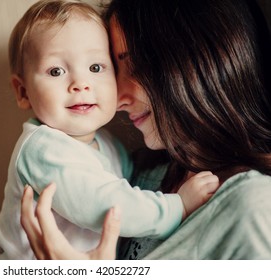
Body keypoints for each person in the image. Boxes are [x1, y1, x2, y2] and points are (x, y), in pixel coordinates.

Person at [20, 0, 271, 259]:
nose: (117, 101)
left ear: (199, 60)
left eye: (135, 66)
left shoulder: (254, 209)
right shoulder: (142, 174)